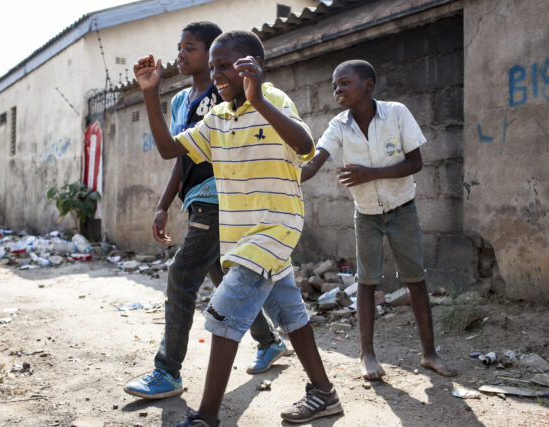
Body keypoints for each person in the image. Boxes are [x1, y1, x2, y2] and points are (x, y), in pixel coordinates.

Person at [134, 30, 343, 426]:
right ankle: (323, 392)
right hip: (239, 235)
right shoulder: (217, 119)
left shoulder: (275, 100)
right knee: (289, 313)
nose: (216, 74)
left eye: (225, 66)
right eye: (213, 67)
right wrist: (149, 92)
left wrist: (259, 98)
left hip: (276, 227)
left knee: (225, 310)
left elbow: (304, 147)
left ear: (250, 66)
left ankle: (206, 416)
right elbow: (168, 150)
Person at [123, 22, 289, 402]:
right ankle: (269, 341)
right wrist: (165, 204)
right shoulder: (181, 101)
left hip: (223, 198)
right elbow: (178, 154)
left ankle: (167, 370)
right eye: (178, 47)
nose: (180, 54)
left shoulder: (229, 91)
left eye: (190, 48)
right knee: (218, 274)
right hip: (196, 197)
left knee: (181, 276)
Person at [301, 59, 456, 381]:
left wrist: (371, 174)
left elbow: (415, 162)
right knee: (367, 282)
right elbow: (315, 161)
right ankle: (367, 354)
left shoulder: (396, 113)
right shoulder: (339, 125)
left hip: (402, 208)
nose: (337, 89)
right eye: (334, 85)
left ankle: (429, 354)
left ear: (367, 84)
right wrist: (284, 178)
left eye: (345, 82)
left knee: (415, 279)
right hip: (367, 213)